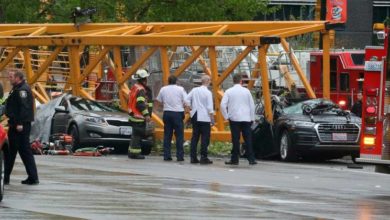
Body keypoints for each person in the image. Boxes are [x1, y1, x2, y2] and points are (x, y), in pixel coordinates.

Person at [4, 71, 39, 185]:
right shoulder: (17, 88)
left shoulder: (22, 90)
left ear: (18, 78)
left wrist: (19, 123)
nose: (9, 79)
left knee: (20, 151)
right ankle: (6, 177)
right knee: (14, 151)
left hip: (19, 126)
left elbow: (23, 108)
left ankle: (32, 177)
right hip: (16, 124)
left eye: (11, 77)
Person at [220, 74, 257, 165]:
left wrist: (226, 116)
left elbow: (222, 105)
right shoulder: (246, 91)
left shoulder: (229, 91)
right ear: (241, 81)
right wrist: (252, 118)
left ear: (233, 81)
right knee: (248, 139)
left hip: (234, 118)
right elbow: (252, 105)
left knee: (235, 139)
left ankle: (235, 159)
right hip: (246, 118)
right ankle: (251, 159)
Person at [156, 75, 187, 162]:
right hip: (178, 113)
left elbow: (158, 101)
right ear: (176, 81)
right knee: (179, 136)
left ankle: (167, 155)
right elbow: (186, 101)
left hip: (167, 113)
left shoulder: (163, 89)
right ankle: (179, 156)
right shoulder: (180, 89)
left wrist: (165, 106)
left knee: (167, 135)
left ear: (168, 81)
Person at [186, 75, 214, 164]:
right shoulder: (208, 93)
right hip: (204, 116)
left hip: (195, 114)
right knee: (205, 137)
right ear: (208, 81)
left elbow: (186, 99)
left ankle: (193, 157)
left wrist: (190, 107)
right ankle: (203, 157)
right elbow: (209, 107)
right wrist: (212, 118)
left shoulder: (194, 90)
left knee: (195, 137)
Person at [127, 69, 153, 159]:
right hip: (138, 116)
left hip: (133, 115)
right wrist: (146, 115)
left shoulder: (135, 87)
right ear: (144, 79)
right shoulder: (141, 90)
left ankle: (131, 152)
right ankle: (135, 153)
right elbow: (140, 103)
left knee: (135, 135)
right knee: (137, 136)